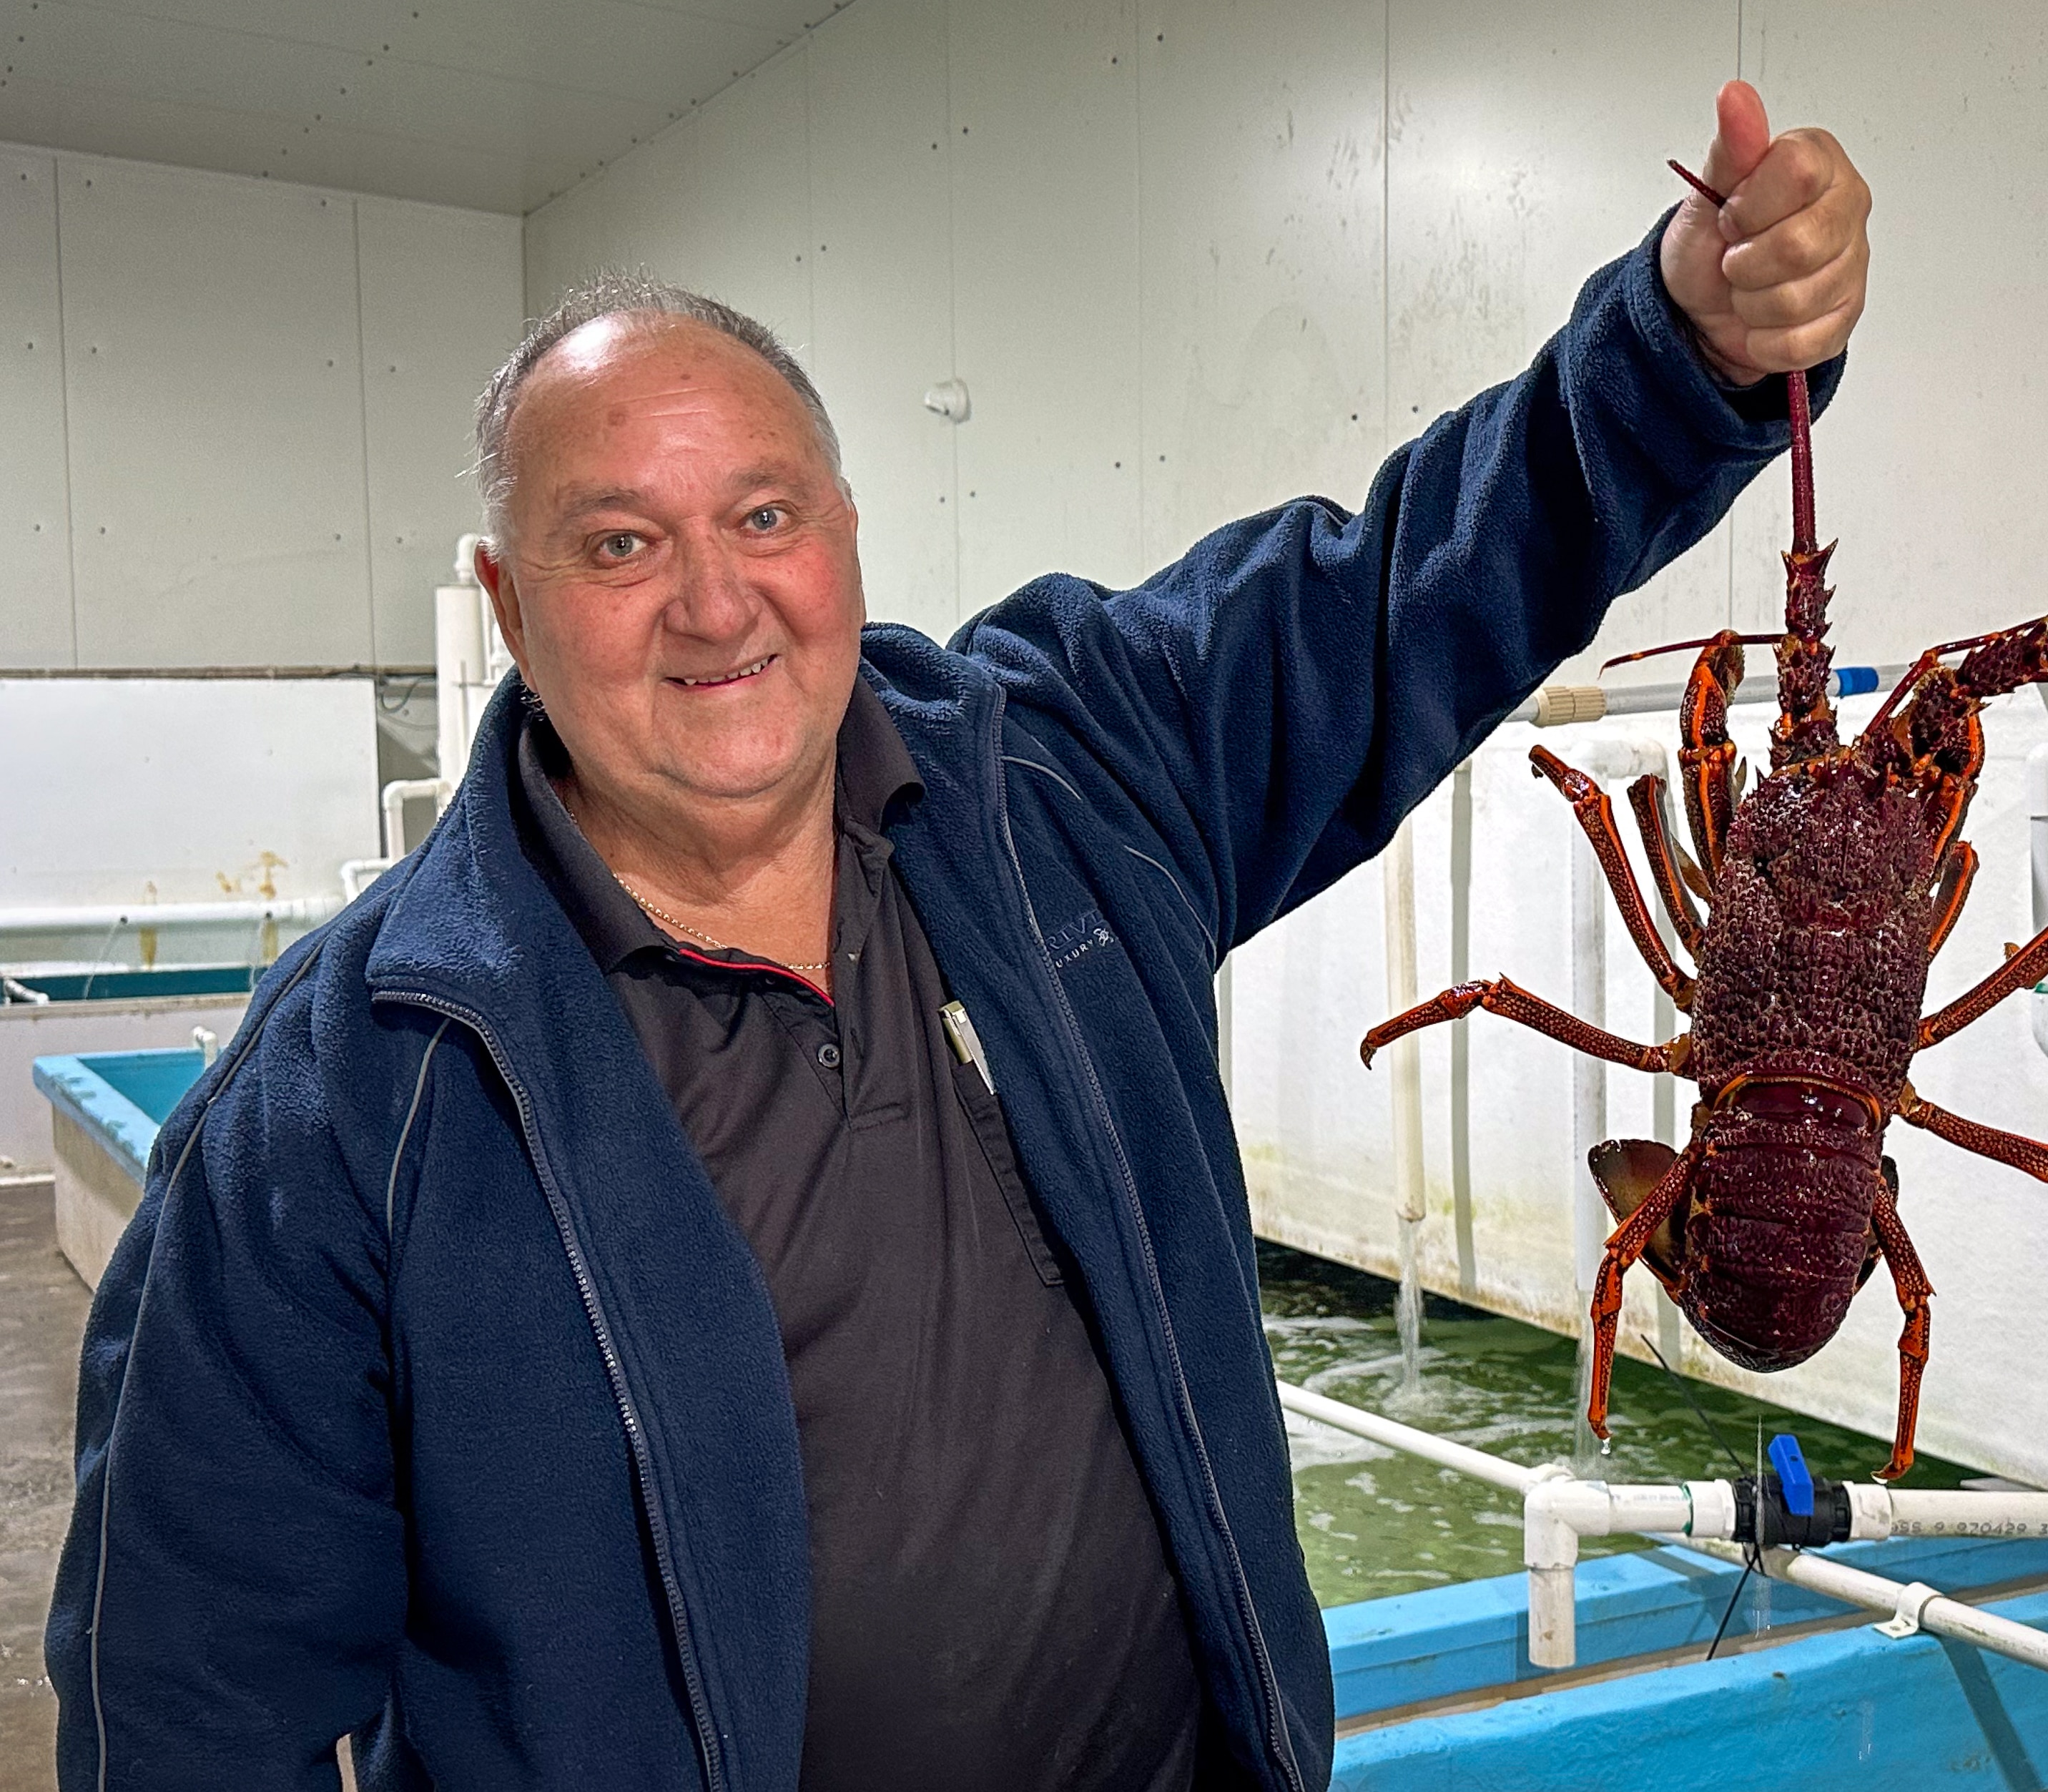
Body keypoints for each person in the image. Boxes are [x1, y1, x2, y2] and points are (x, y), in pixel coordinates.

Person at [48, 80, 1869, 1791]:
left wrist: (1683, 350)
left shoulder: (1064, 778)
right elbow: (190, 1692)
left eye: (765, 516)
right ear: (510, 604)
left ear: (843, 533)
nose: (714, 600)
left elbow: (1393, 589)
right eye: (619, 544)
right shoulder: (342, 1098)